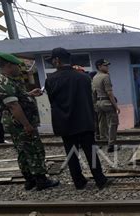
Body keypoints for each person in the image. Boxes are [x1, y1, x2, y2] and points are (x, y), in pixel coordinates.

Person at [45, 48, 110, 190]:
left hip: (65, 122)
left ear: (57, 60)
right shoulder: (84, 77)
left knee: (71, 153)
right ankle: (100, 179)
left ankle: (79, 182)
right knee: (90, 151)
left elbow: (52, 101)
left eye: (52, 60)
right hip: (84, 120)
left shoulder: (50, 80)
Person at [0, 52, 59, 191]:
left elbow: (16, 98)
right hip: (19, 123)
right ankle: (41, 180)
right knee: (34, 149)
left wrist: (29, 94)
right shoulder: (3, 81)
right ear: (9, 65)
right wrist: (27, 125)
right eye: (17, 65)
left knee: (23, 150)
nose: (19, 68)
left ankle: (30, 180)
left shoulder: (7, 80)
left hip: (16, 123)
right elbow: (13, 105)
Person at [92, 59, 120, 152]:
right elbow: (109, 93)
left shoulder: (95, 77)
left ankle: (104, 141)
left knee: (102, 124)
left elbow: (94, 93)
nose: (107, 67)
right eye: (105, 65)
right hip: (107, 102)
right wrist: (116, 106)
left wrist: (95, 104)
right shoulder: (105, 77)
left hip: (98, 103)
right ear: (99, 67)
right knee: (113, 123)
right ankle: (111, 145)